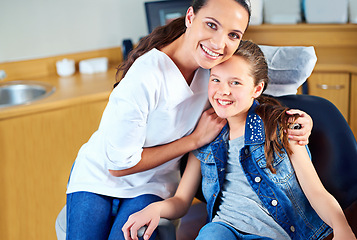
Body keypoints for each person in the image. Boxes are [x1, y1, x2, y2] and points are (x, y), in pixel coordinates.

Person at [65, 0, 312, 239]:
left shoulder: (217, 64)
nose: (219, 43)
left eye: (233, 35)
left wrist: (299, 118)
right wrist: (194, 140)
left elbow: (269, 72)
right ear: (190, 17)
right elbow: (117, 166)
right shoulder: (146, 77)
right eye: (212, 25)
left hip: (153, 183)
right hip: (101, 173)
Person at [122, 40, 356, 240]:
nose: (223, 91)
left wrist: (342, 229)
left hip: (273, 233)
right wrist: (156, 208)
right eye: (216, 80)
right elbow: (182, 201)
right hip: (223, 228)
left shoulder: (281, 127)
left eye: (235, 82)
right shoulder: (203, 136)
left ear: (257, 89)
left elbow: (316, 192)